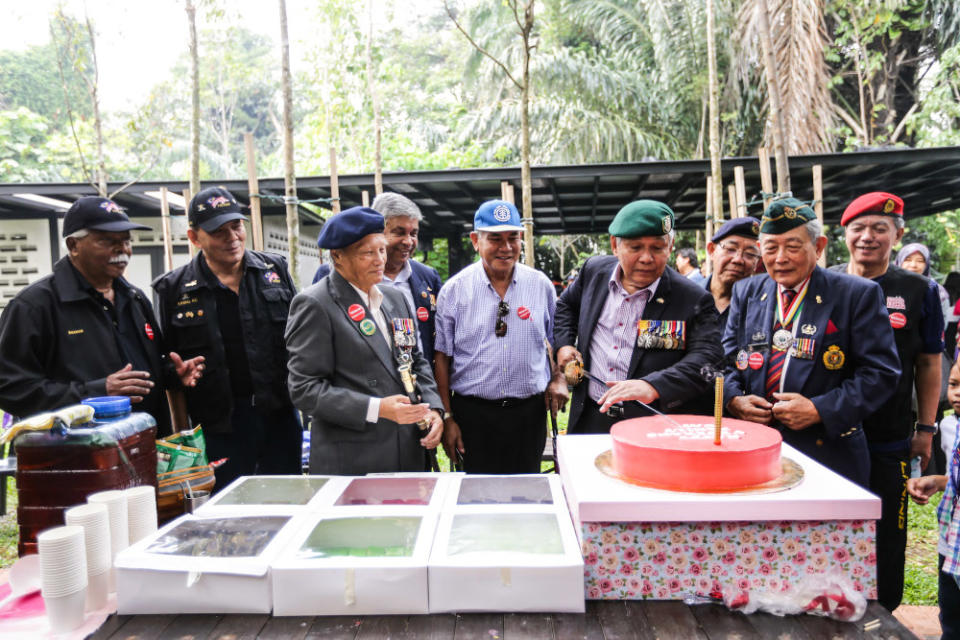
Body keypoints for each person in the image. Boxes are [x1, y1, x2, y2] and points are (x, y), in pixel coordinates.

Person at [722, 197, 901, 488]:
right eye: (770, 248)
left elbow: (880, 374)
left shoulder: (856, 294)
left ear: (818, 247)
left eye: (793, 247)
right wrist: (733, 399)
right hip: (756, 446)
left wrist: (821, 409)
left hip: (828, 450)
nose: (780, 257)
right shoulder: (747, 291)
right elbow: (725, 359)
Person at [0, 196, 203, 434]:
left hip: (142, 447)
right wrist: (96, 393)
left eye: (126, 241)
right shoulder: (34, 307)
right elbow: (10, 388)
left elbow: (147, 368)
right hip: (73, 456)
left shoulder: (134, 298)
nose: (122, 249)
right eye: (107, 240)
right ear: (73, 245)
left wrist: (172, 374)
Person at [830, 191, 943, 611]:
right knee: (828, 522)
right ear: (844, 236)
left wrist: (926, 428)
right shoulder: (824, 285)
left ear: (897, 234)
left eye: (880, 228)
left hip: (888, 434)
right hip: (828, 431)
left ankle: (884, 613)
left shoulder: (918, 290)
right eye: (858, 228)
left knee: (887, 531)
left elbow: (929, 363)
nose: (868, 237)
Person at [153, 187, 301, 488]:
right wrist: (175, 373)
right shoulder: (172, 289)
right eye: (219, 232)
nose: (232, 238)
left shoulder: (275, 270)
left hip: (280, 415)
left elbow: (300, 338)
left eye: (236, 227)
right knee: (227, 513)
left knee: (286, 498)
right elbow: (161, 361)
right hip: (218, 424)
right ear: (194, 238)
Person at [286, 206, 444, 474]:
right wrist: (377, 408)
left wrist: (435, 409)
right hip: (353, 457)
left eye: (381, 250)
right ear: (337, 256)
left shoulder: (394, 297)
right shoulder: (315, 304)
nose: (379, 260)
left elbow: (413, 359)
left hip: (407, 449)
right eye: (367, 253)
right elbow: (304, 389)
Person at [554, 200, 722, 434]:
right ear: (615, 245)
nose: (646, 258)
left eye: (657, 248)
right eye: (635, 248)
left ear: (671, 247)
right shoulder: (594, 272)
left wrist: (653, 385)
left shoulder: (692, 298)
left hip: (652, 424)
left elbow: (708, 358)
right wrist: (563, 345)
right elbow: (566, 306)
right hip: (591, 416)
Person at [435, 200, 567, 473]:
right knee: (474, 499)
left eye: (513, 238)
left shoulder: (540, 285)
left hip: (528, 414)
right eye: (495, 238)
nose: (506, 248)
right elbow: (442, 358)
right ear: (475, 240)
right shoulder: (455, 290)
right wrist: (448, 418)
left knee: (528, 492)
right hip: (473, 415)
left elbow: (560, 340)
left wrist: (560, 378)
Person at [313, 192, 443, 367]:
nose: (408, 241)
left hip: (411, 383)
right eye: (399, 232)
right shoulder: (333, 275)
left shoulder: (426, 277)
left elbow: (414, 351)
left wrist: (425, 389)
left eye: (414, 233)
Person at [906, 356, 960, 639]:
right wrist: (940, 482)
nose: (958, 392)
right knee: (950, 610)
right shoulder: (950, 426)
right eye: (953, 384)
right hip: (951, 540)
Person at [704, 217, 761, 328]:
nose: (738, 259)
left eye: (750, 254)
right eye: (730, 249)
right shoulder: (688, 297)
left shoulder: (764, 307)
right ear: (711, 250)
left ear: (757, 262)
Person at [898, 242, 952, 322]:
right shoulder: (887, 286)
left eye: (920, 261)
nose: (913, 265)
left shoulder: (938, 292)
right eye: (907, 260)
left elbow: (941, 326)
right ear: (899, 261)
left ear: (926, 264)